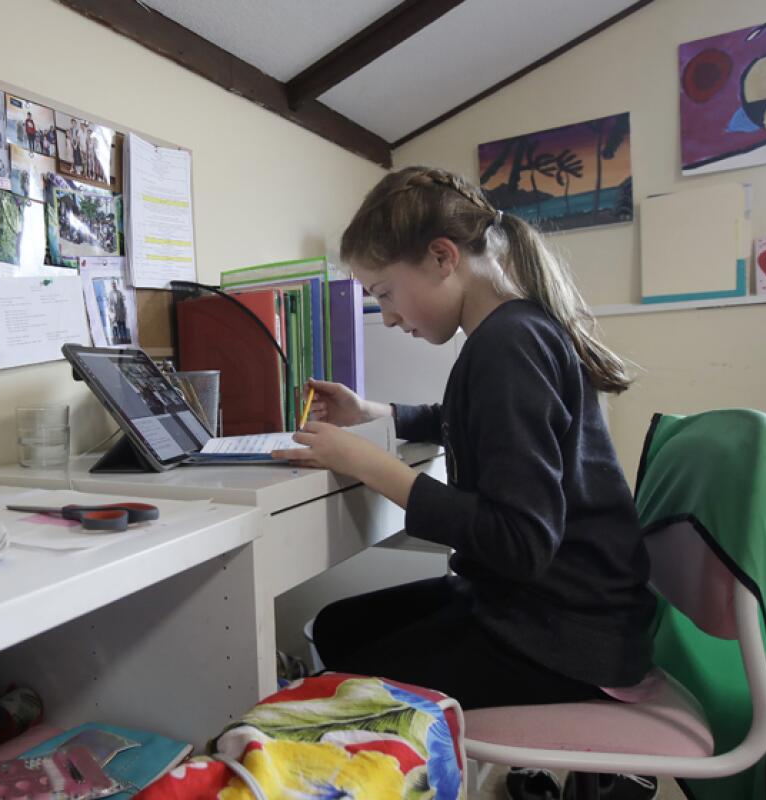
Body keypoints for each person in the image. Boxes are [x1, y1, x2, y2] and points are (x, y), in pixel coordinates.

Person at [273, 167, 660, 800]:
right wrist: (378, 415)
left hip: (562, 639)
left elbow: (520, 542)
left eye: (386, 293)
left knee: (344, 684)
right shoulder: (512, 332)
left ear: (442, 258)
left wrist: (376, 468)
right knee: (340, 628)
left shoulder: (509, 346)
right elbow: (470, 420)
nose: (389, 316)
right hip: (567, 615)